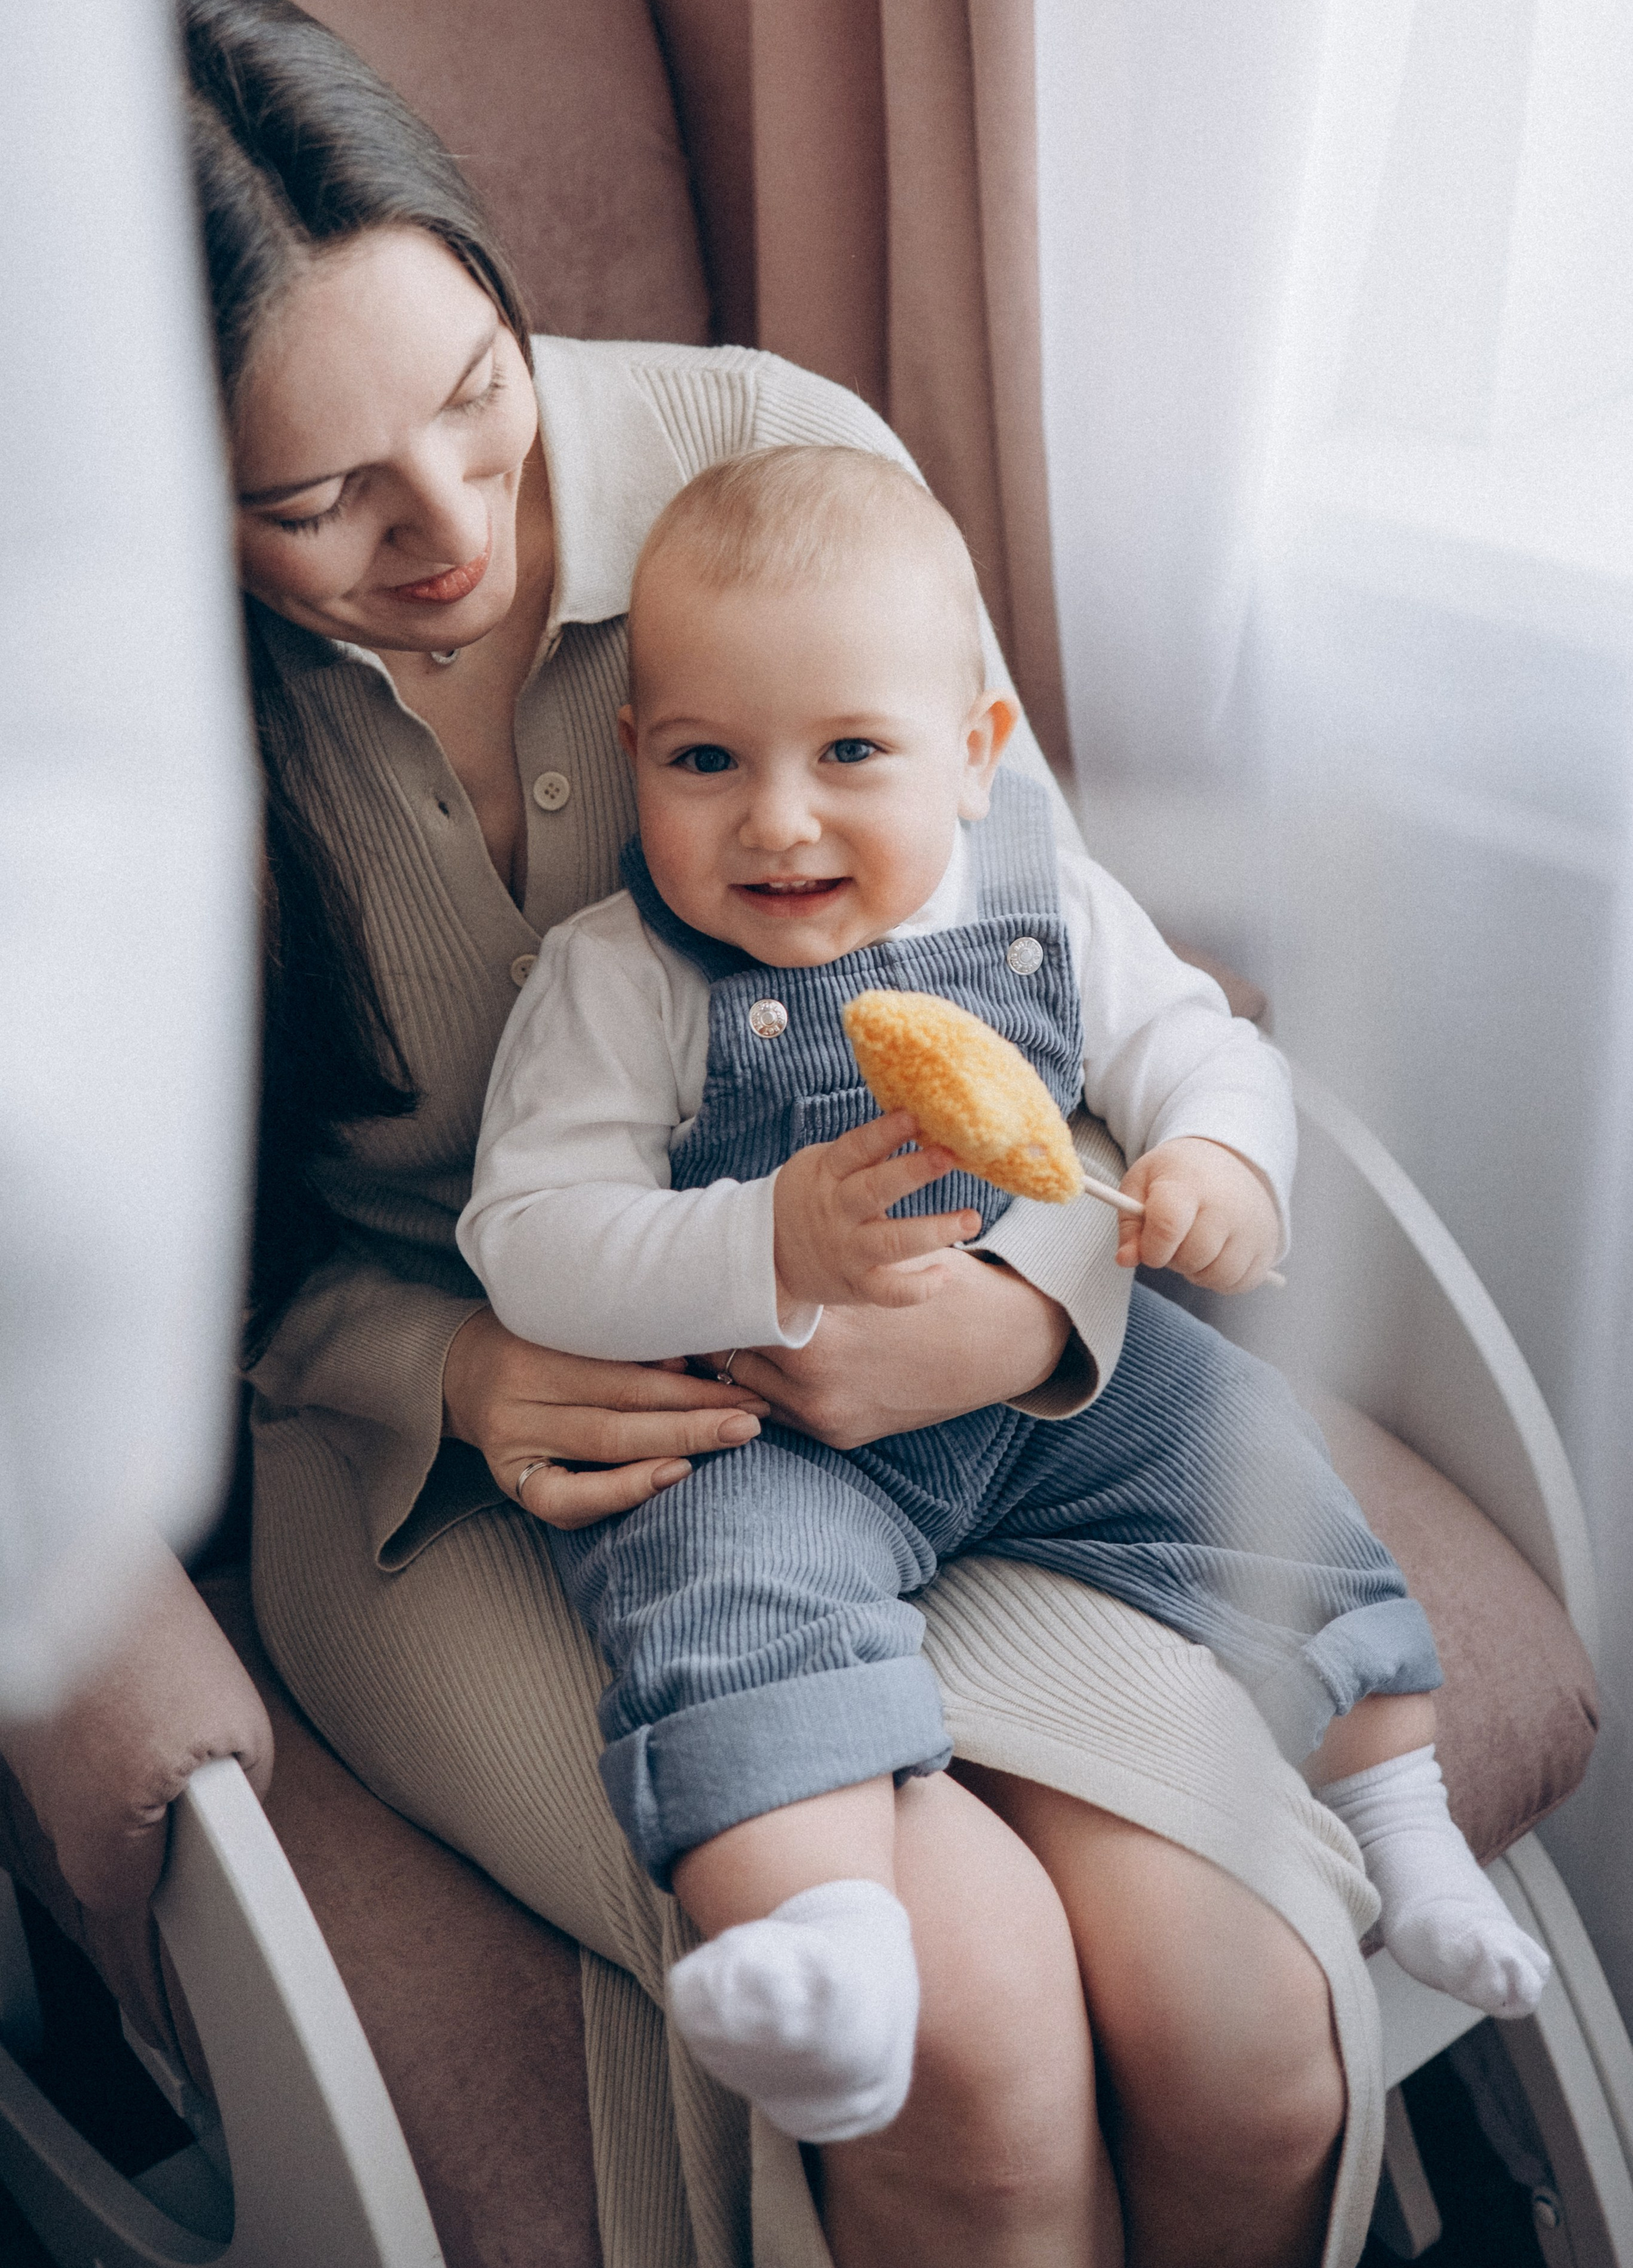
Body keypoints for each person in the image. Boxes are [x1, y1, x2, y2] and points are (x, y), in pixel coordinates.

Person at [179, 0, 1387, 2268]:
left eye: (478, 397)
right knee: (964, 2035)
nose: (449, 533)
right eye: (320, 500)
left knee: (1249, 2031)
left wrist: (1032, 1310)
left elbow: (1049, 976)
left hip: (944, 1380)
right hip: (488, 1458)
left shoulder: (769, 451)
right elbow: (146, 1275)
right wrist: (442, 1360)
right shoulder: (109, 709)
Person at [457, 445, 1548, 2142]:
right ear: (633, 762)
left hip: (1048, 1390)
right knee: (728, 1608)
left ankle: (1401, 1828)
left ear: (973, 757)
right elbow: (529, 1230)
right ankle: (832, 1952)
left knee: (1261, 1478)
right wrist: (764, 1244)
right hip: (778, 1429)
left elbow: (1201, 1047)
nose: (778, 816)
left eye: (851, 753)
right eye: (705, 760)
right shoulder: (625, 976)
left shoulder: (1047, 904)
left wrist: (1222, 1164)